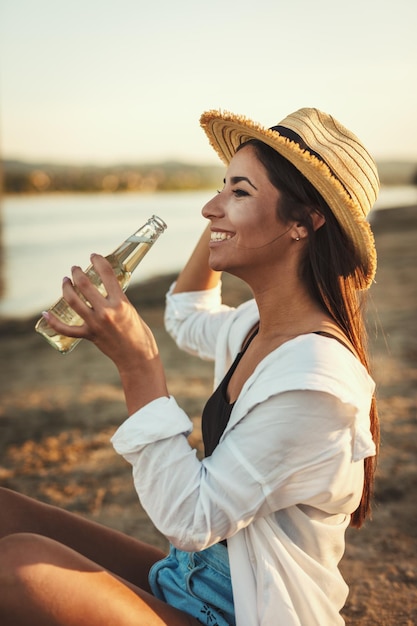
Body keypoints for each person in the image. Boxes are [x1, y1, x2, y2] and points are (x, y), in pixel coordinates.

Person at [0, 107, 380, 626]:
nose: (207, 208)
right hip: (190, 580)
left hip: (247, 611)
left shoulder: (317, 380)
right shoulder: (257, 327)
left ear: (305, 221)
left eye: (239, 192)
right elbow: (186, 312)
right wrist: (228, 212)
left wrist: (138, 363)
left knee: (18, 569)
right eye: (218, 187)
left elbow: (190, 518)